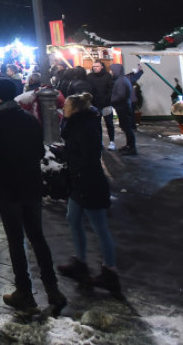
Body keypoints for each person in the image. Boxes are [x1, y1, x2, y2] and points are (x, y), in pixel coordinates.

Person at [0, 78, 66, 314]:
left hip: (8, 188)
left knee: (16, 240)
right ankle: (53, 289)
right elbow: (39, 151)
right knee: (38, 237)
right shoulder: (28, 119)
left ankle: (24, 292)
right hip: (31, 186)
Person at [55, 93, 120, 295]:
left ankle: (110, 272)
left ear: (75, 109)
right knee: (72, 218)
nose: (63, 107)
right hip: (78, 182)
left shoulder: (86, 127)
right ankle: (80, 263)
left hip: (90, 182)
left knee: (99, 226)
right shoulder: (74, 124)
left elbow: (89, 155)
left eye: (66, 105)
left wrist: (75, 166)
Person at [87, 60, 116, 151]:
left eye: (97, 66)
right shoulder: (89, 77)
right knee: (97, 124)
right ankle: (100, 141)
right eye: (94, 66)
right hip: (95, 105)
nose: (95, 67)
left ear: (102, 67)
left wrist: (108, 99)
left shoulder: (108, 77)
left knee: (109, 123)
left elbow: (111, 90)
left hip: (106, 104)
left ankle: (111, 141)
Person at [110, 63, 137, 155]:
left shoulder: (121, 81)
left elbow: (121, 95)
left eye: (112, 70)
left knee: (127, 128)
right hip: (123, 106)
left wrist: (110, 100)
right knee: (126, 127)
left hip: (123, 107)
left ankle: (132, 148)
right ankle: (129, 145)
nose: (111, 72)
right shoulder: (122, 79)